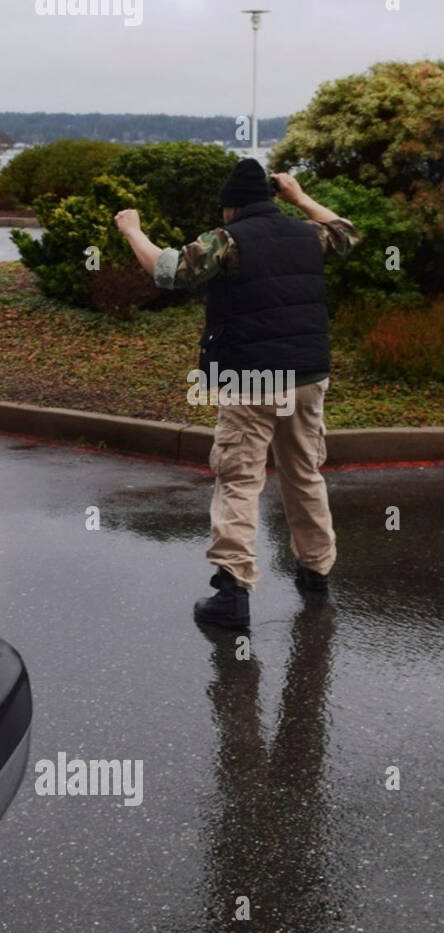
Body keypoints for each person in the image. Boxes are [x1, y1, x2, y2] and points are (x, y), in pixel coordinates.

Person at [114, 159, 361, 628]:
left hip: (251, 379)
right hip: (308, 376)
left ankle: (232, 593)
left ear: (231, 207)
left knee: (239, 479)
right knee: (304, 474)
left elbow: (166, 271)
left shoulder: (228, 240)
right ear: (270, 200)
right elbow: (347, 232)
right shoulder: (306, 233)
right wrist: (301, 195)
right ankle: (316, 572)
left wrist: (132, 229)